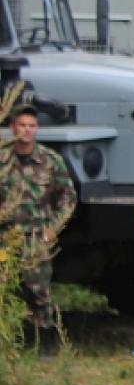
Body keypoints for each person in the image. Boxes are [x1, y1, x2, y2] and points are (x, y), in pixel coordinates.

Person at [1, 103, 76, 340]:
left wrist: (53, 228)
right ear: (13, 128)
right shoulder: (3, 161)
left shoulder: (50, 161)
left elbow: (68, 198)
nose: (27, 130)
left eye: (32, 126)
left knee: (38, 291)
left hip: (36, 237)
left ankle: (43, 342)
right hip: (5, 237)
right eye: (22, 125)